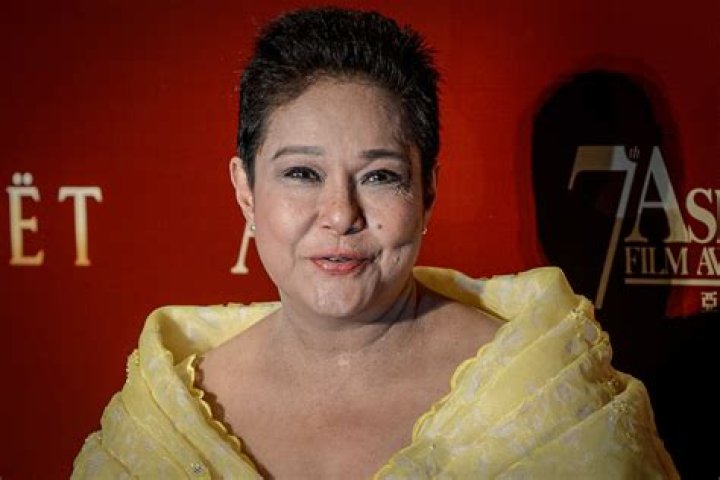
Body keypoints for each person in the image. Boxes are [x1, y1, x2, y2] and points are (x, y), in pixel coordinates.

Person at [72, 7, 678, 479]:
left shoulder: (547, 396)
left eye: (380, 176)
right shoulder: (167, 417)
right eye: (302, 173)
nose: (341, 213)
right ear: (246, 191)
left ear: (427, 190)